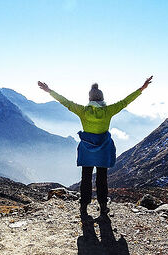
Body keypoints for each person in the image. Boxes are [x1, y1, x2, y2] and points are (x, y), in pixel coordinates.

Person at [38, 76, 153, 224]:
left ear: (90, 99)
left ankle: (84, 207)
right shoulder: (108, 111)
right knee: (101, 179)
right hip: (103, 150)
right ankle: (103, 207)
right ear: (102, 98)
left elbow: (65, 102)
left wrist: (49, 91)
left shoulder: (83, 111)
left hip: (87, 150)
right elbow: (126, 101)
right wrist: (141, 89)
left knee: (86, 178)